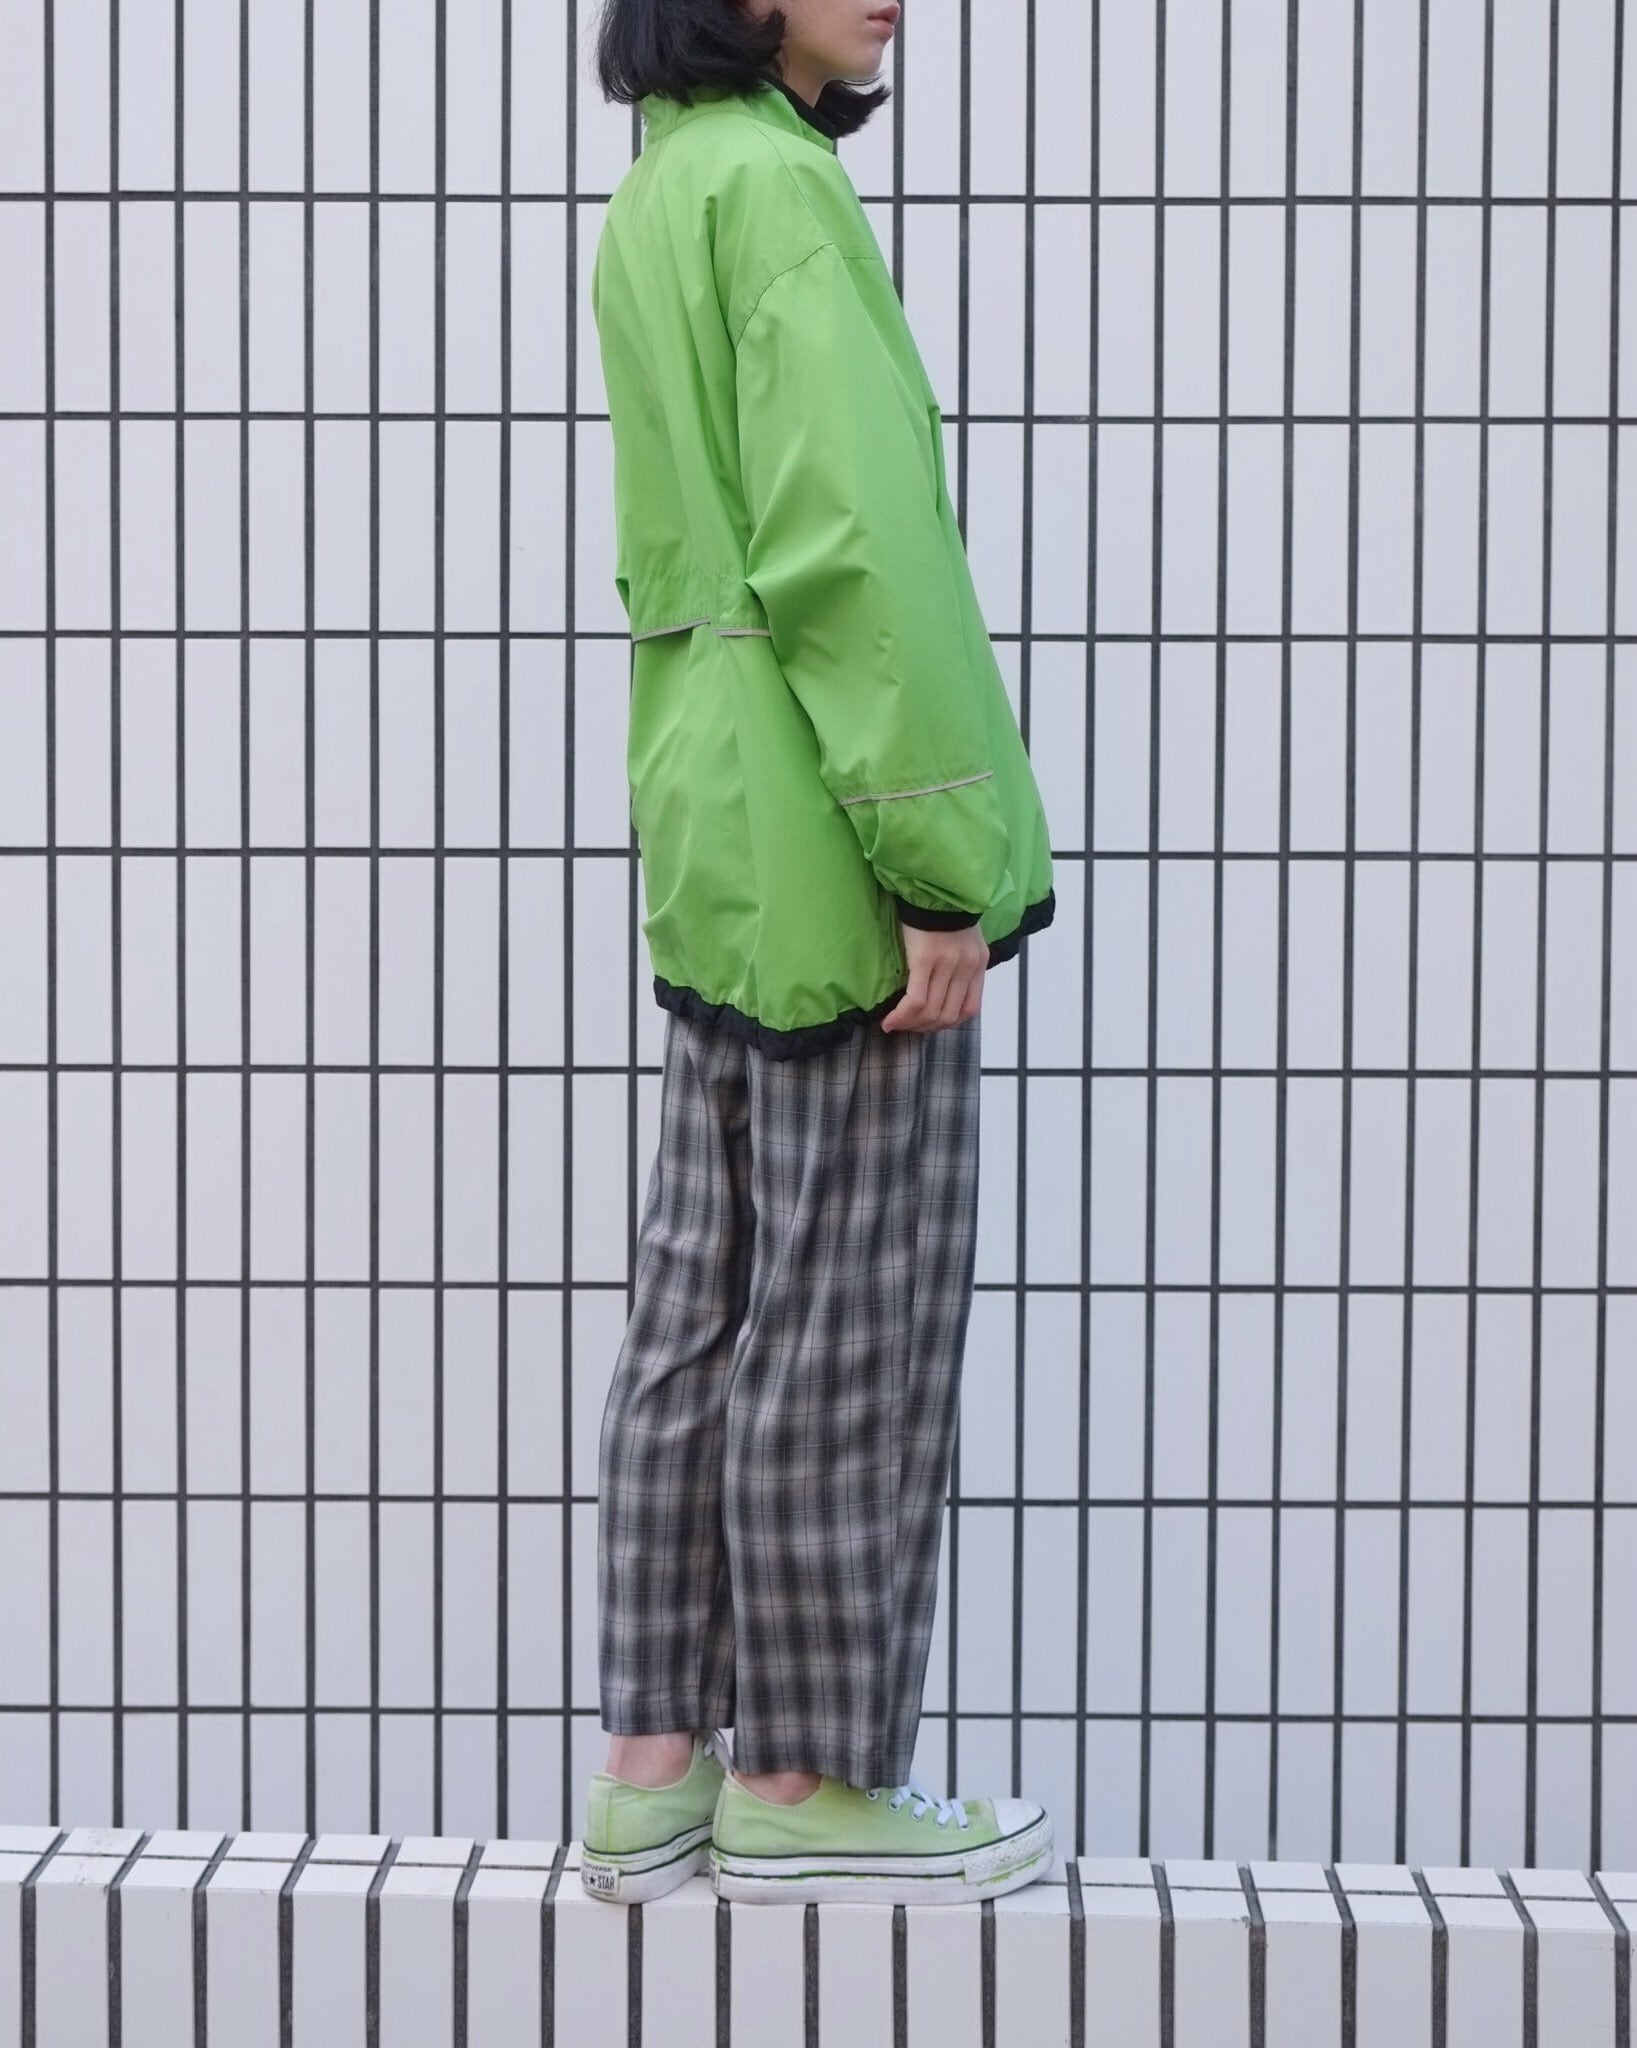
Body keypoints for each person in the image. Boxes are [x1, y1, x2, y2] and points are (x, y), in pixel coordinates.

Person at [578, 0, 1057, 1909]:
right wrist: (941, 864)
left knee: (698, 1308)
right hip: (832, 837)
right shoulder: (777, 195)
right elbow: (854, 551)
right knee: (846, 1324)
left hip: (715, 815)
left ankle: (652, 1772)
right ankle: (798, 1780)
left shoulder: (662, 187)